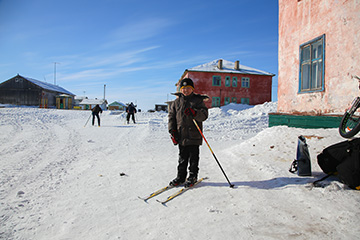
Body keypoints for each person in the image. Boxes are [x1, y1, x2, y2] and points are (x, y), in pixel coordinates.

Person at [168, 78, 208, 187]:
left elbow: (204, 115)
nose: (186, 90)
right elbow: (171, 117)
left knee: (193, 158)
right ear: (181, 89)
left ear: (192, 89)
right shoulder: (176, 102)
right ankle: (180, 177)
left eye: (188, 88)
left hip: (194, 135)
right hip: (181, 135)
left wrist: (194, 113)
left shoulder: (198, 100)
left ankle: (192, 176)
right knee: (182, 158)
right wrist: (172, 131)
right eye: (184, 88)